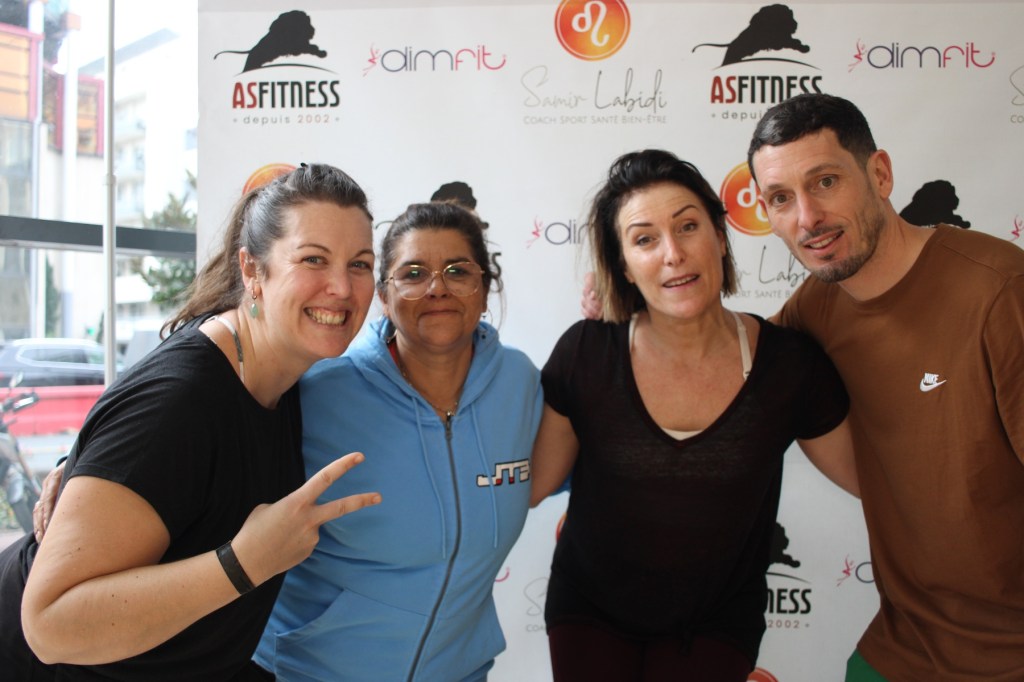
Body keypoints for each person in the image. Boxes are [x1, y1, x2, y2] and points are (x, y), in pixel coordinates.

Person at [0, 163, 382, 680]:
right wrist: (245, 561)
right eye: (313, 259)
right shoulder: (181, 400)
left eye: (360, 264)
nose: (341, 286)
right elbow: (49, 626)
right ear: (252, 271)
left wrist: (87, 461)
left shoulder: (285, 366)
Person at [530, 149, 857, 682]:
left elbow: (871, 479)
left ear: (720, 237)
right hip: (589, 611)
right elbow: (528, 485)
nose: (673, 254)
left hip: (717, 622)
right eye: (644, 240)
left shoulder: (789, 365)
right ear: (622, 266)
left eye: (688, 227)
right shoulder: (586, 352)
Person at [747, 93, 1024, 682]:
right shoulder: (817, 305)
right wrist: (621, 322)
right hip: (903, 645)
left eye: (825, 182)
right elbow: (722, 359)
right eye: (781, 198)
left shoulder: (1001, 291)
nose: (807, 218)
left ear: (880, 175)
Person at [253, 201, 542, 681]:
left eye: (458, 271)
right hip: (311, 672)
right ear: (384, 297)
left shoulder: (520, 381)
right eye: (413, 273)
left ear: (485, 289)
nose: (437, 288)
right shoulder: (316, 389)